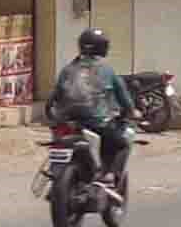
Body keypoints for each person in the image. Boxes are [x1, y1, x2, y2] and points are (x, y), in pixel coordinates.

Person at [45, 24, 133, 199]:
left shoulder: (68, 69)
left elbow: (53, 98)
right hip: (97, 123)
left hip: (66, 122)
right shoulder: (106, 70)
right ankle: (109, 175)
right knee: (122, 143)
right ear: (104, 48)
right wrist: (131, 111)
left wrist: (54, 117)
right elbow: (124, 99)